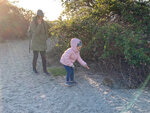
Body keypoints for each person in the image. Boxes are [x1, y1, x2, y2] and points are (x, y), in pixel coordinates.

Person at [28, 9, 50, 75]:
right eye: (40, 16)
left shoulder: (45, 22)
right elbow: (35, 33)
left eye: (42, 16)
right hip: (36, 42)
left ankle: (45, 70)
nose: (41, 17)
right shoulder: (33, 22)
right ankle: (34, 69)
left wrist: (46, 37)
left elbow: (47, 31)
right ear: (37, 15)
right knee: (35, 56)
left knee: (44, 57)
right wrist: (39, 24)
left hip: (42, 42)